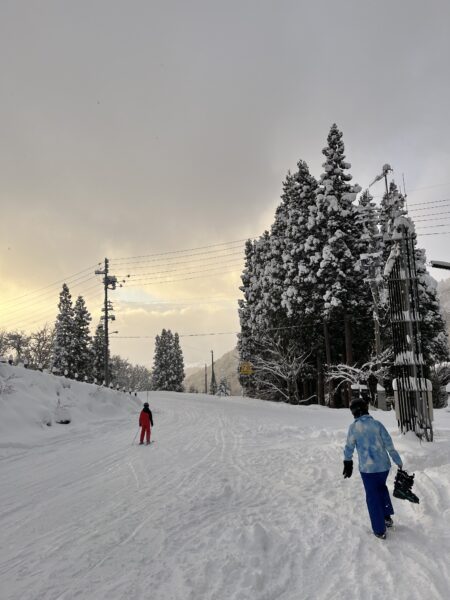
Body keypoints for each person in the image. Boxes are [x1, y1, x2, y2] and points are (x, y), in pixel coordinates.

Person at [343, 398, 403, 539]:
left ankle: (379, 529)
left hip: (368, 470)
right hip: (383, 467)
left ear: (354, 412)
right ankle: (386, 517)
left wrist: (347, 462)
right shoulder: (377, 425)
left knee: (372, 497)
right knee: (381, 488)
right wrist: (397, 460)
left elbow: (349, 447)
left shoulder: (354, 427)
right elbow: (389, 445)